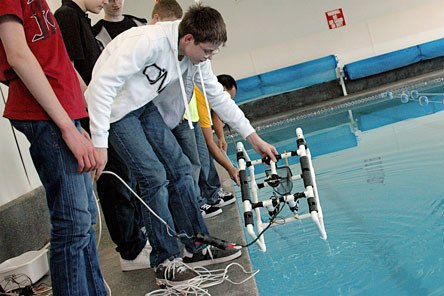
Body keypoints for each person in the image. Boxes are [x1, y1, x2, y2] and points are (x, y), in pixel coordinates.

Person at [85, 4, 278, 286]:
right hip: (116, 112)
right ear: (189, 39)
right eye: (207, 51)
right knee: (153, 177)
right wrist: (99, 142)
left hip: (143, 106)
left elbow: (218, 97)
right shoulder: (146, 42)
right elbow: (101, 88)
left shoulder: (194, 54)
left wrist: (254, 138)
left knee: (181, 169)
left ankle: (196, 245)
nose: (209, 58)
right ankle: (165, 261)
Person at [0, 1, 106, 295]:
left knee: (84, 220)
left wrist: (78, 123)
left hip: (64, 113)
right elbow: (19, 55)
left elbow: (58, 63)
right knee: (73, 224)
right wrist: (66, 127)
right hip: (45, 115)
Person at [91, 0, 183, 272]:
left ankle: (150, 240)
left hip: (136, 107)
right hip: (111, 111)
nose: (114, 2)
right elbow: (97, 82)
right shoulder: (95, 30)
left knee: (149, 176)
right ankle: (136, 251)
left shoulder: (137, 26)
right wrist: (98, 136)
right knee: (128, 182)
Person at [195, 74, 240, 209]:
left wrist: (221, 137)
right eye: (228, 99)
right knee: (202, 155)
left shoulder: (210, 91)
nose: (228, 103)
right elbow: (209, 142)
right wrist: (230, 169)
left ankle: (212, 192)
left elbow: (216, 112)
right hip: (186, 123)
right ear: (222, 90)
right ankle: (208, 196)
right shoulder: (202, 97)